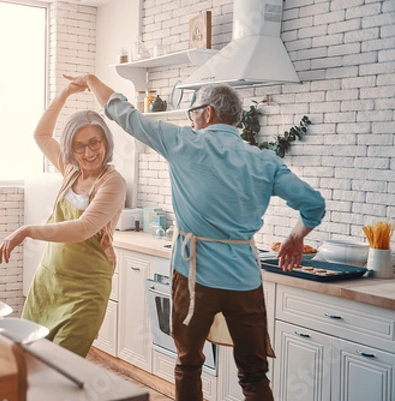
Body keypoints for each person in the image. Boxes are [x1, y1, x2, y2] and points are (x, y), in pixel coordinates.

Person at [66, 74, 325, 401]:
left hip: (192, 278)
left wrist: (91, 80)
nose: (192, 120)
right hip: (244, 280)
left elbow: (124, 113)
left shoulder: (182, 142)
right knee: (254, 373)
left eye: (193, 113)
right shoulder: (263, 160)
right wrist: (296, 236)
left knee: (188, 365)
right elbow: (314, 205)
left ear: (208, 112)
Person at [0, 79, 126, 358]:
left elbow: (83, 229)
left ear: (105, 141)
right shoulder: (71, 170)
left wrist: (28, 230)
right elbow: (41, 134)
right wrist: (65, 93)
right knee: (29, 358)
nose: (89, 153)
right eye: (80, 147)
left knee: (61, 365)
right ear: (71, 149)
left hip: (85, 292)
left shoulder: (112, 183)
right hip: (48, 283)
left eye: (94, 142)